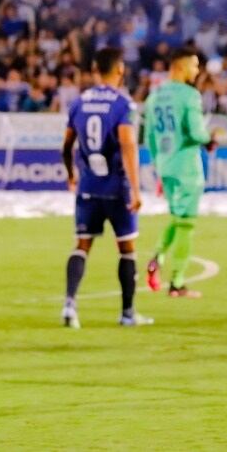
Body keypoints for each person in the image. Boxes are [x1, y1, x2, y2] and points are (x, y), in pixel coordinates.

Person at [61, 47, 148, 329]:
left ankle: (69, 304)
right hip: (116, 188)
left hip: (88, 186)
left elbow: (66, 144)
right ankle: (127, 313)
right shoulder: (123, 105)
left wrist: (71, 174)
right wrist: (135, 190)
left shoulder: (79, 102)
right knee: (127, 248)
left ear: (95, 70)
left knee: (82, 244)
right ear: (120, 69)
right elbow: (128, 145)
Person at [144, 47, 213, 297]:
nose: (197, 70)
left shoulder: (154, 96)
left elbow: (149, 137)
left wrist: (158, 168)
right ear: (181, 67)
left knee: (177, 217)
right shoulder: (189, 95)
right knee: (186, 223)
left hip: (165, 165)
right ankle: (177, 282)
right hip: (186, 167)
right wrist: (210, 138)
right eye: (194, 65)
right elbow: (196, 133)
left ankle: (157, 258)